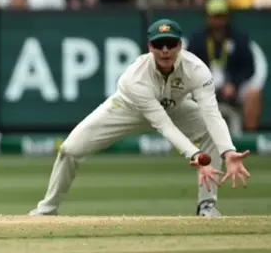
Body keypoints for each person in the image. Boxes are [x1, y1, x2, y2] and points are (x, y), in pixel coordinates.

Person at [30, 19, 251, 218]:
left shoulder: (197, 70)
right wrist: (195, 154)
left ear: (179, 46)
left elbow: (212, 114)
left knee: (209, 131)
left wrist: (229, 151)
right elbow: (163, 126)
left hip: (174, 106)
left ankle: (207, 206)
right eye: (159, 44)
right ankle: (47, 209)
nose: (165, 50)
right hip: (127, 109)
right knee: (69, 150)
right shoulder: (134, 78)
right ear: (150, 47)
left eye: (171, 44)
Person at [187, 0, 261, 134]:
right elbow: (188, 67)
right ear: (208, 18)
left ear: (227, 17)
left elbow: (248, 68)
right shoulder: (197, 40)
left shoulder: (239, 39)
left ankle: (250, 140)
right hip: (204, 86)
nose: (218, 21)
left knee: (254, 94)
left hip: (232, 86)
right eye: (214, 16)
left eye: (221, 16)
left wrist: (234, 83)